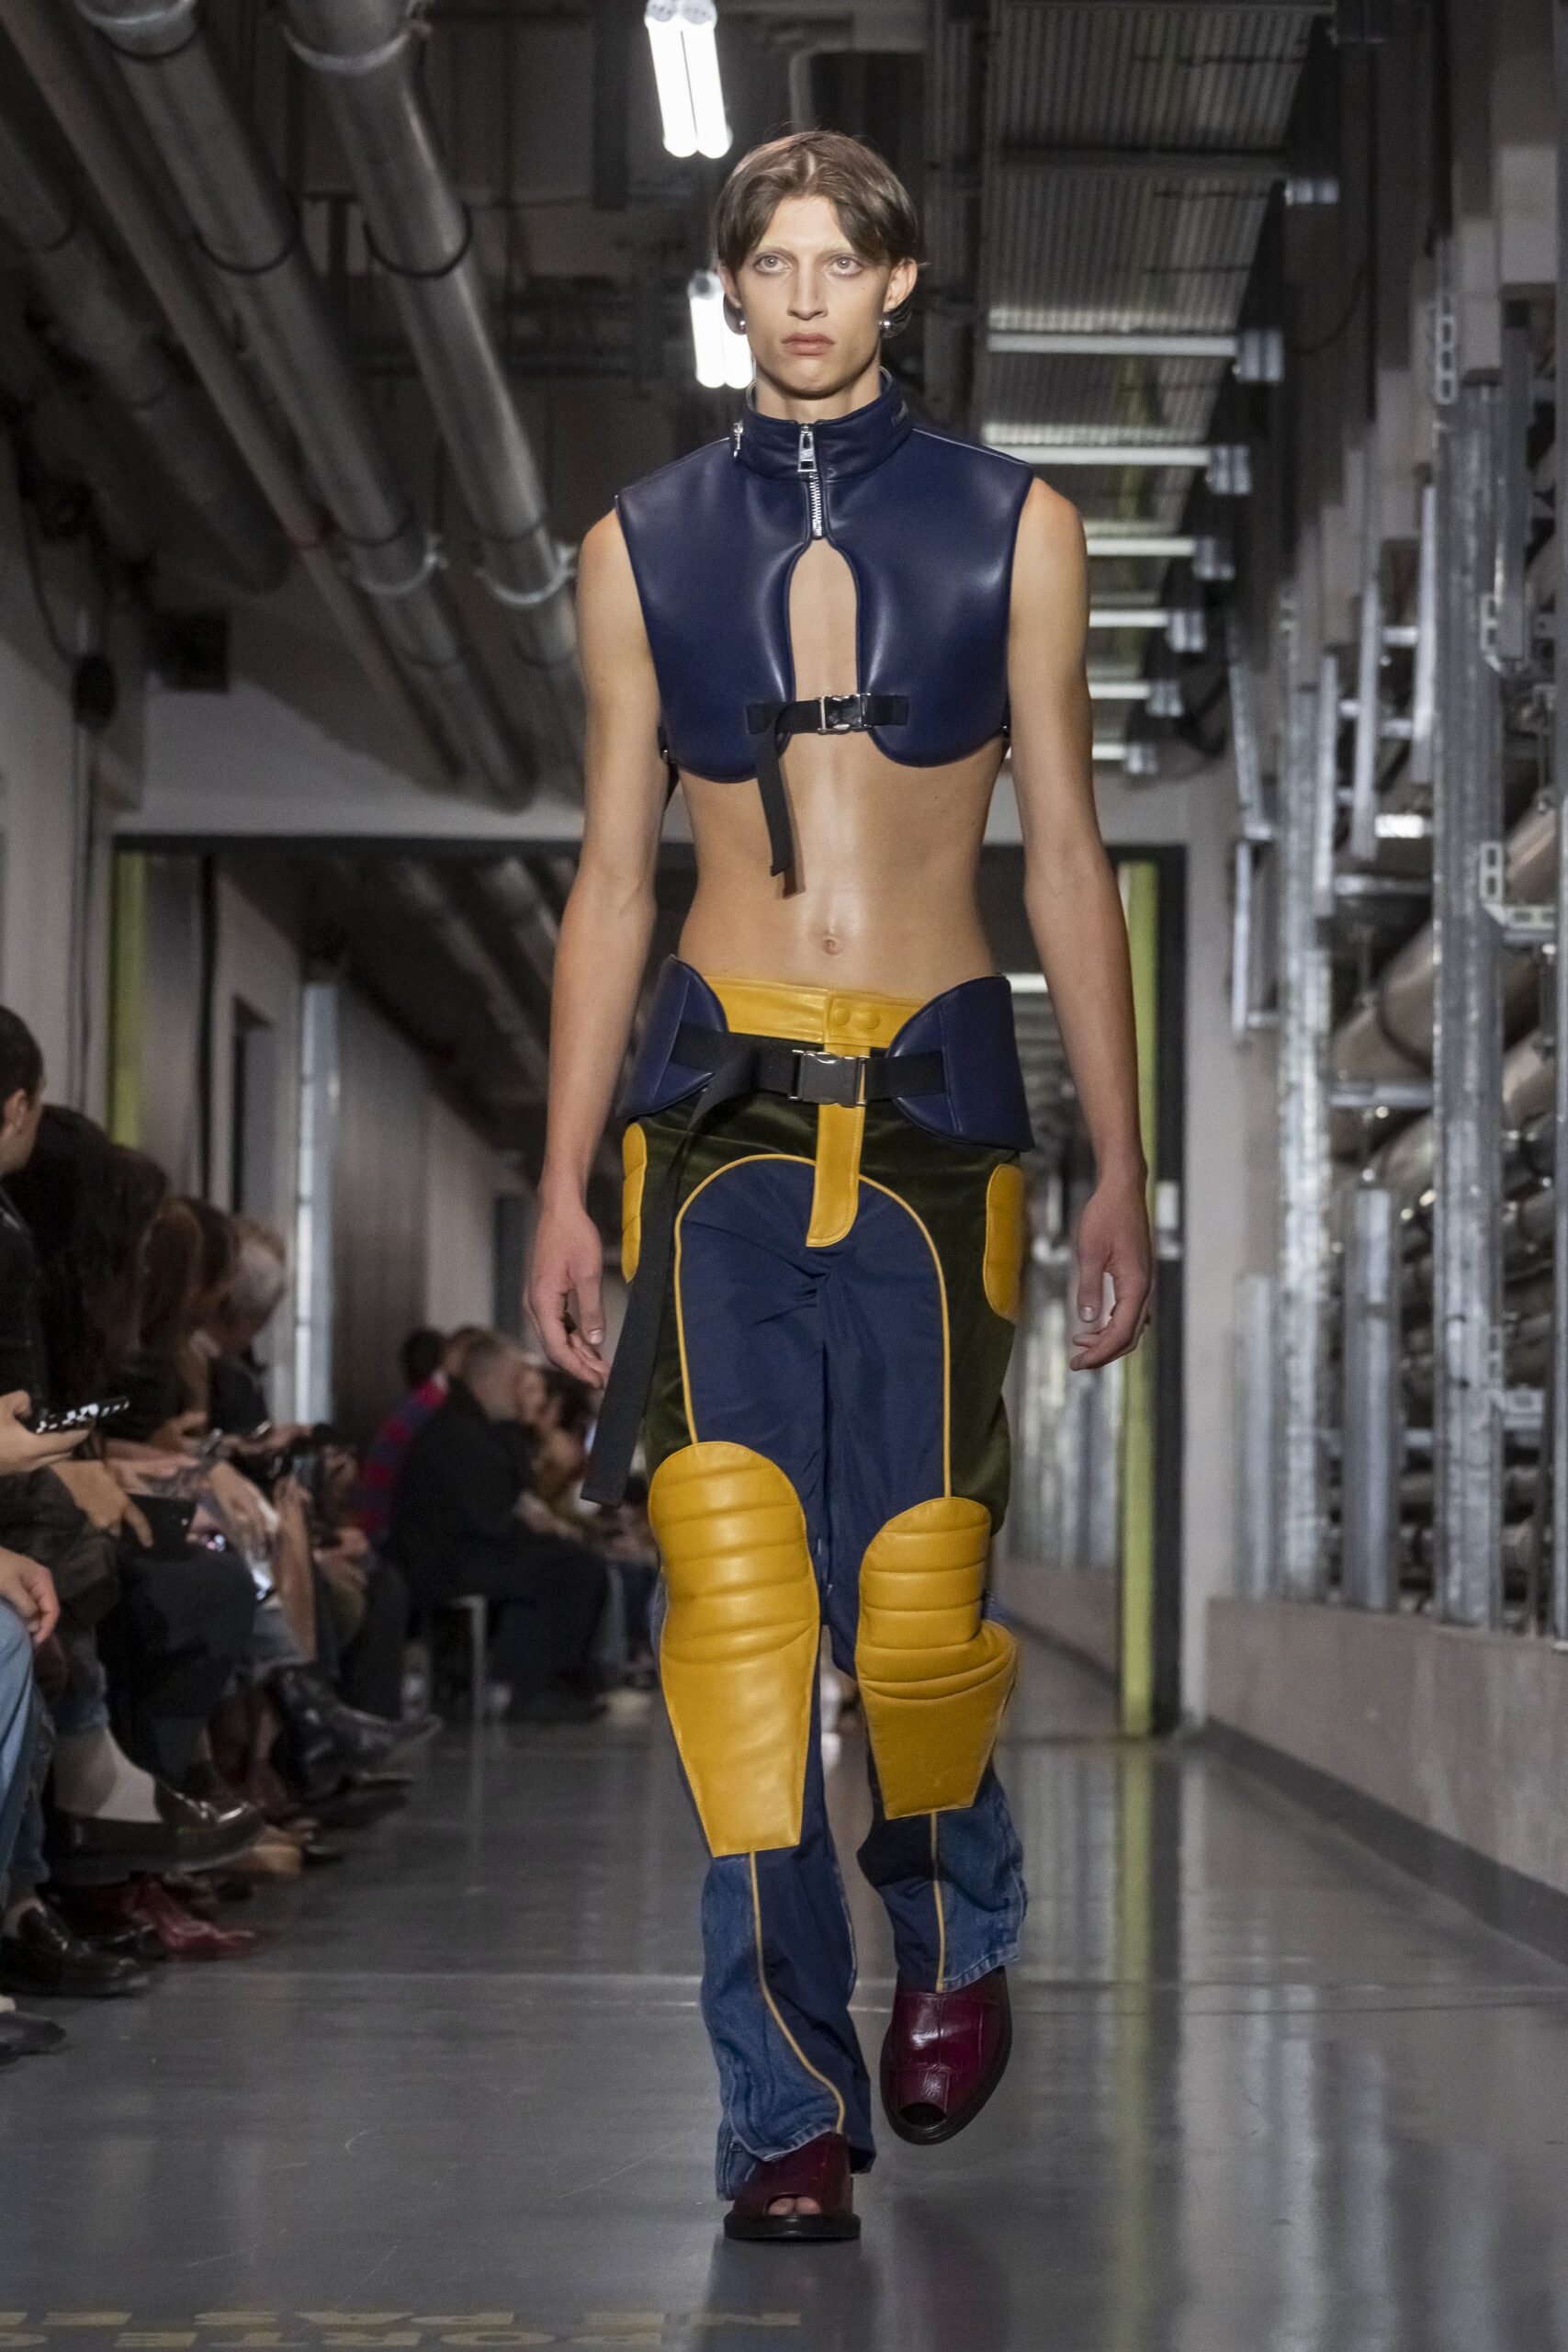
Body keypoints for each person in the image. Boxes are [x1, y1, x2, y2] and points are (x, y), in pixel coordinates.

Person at [527, 131, 1152, 2241]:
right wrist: (560, 1185)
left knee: (913, 1598)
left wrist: (1118, 1167)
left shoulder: (1019, 526)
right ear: (729, 290)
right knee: (732, 1614)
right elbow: (611, 879)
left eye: (838, 262)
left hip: (940, 1127)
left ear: (897, 285)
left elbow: (1064, 857)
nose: (803, 296)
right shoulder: (634, 544)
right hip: (706, 1130)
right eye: (769, 262)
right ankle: (777, 2107)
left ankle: (956, 1928)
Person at [389, 1333, 607, 1724]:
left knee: (568, 1561)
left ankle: (552, 1682)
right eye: (515, 1382)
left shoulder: (475, 1426)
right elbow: (488, 1518)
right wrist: (541, 1531)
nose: (521, 1392)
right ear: (489, 1382)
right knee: (570, 1569)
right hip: (448, 1562)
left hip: (466, 1551)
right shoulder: (459, 1434)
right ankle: (533, 1688)